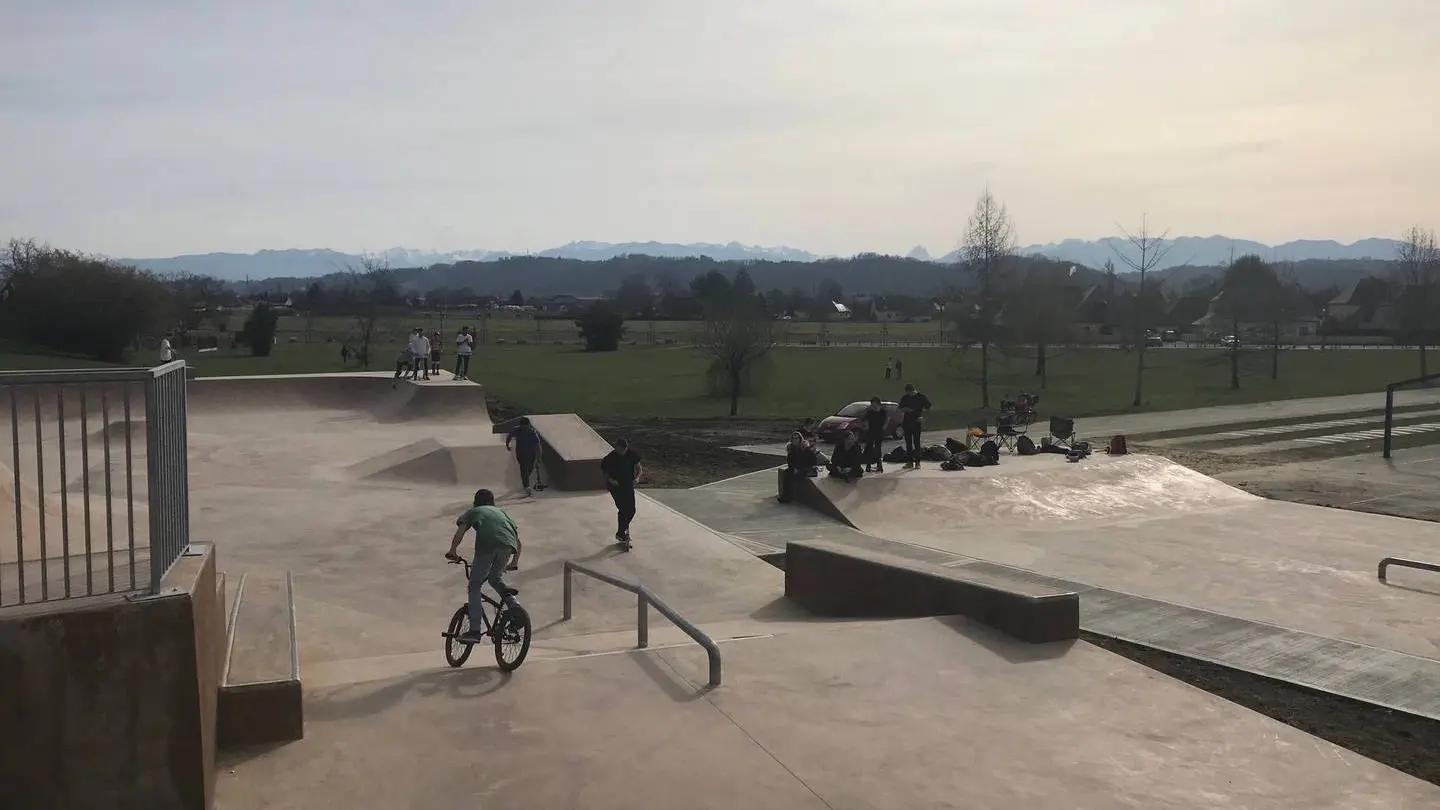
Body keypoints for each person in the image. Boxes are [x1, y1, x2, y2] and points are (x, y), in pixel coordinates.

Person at [445, 488, 522, 643]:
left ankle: (474, 630)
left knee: (474, 585)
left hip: (487, 546)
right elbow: (517, 540)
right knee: (495, 578)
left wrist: (452, 551)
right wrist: (514, 562)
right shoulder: (501, 512)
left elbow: (460, 532)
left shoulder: (473, 511)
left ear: (475, 502)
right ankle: (515, 609)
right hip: (508, 546)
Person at [600, 438, 643, 546]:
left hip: (628, 485)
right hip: (615, 487)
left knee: (631, 510)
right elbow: (605, 475)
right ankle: (622, 533)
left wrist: (637, 478)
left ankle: (620, 532)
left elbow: (639, 469)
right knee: (623, 509)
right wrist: (612, 481)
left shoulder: (631, 454)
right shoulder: (609, 459)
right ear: (616, 448)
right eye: (619, 450)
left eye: (623, 450)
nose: (621, 452)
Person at [897, 383, 932, 469]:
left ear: (913, 390)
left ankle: (917, 462)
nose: (909, 394)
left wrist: (923, 418)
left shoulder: (921, 397)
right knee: (908, 442)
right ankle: (909, 462)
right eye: (908, 393)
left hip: (916, 422)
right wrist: (905, 409)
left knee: (916, 442)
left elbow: (928, 407)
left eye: (911, 392)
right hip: (907, 422)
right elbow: (899, 408)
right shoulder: (905, 398)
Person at [777, 431, 819, 503]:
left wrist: (807, 448)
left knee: (800, 473)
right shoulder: (791, 448)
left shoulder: (805, 447)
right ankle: (786, 496)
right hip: (796, 467)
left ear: (800, 439)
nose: (795, 440)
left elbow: (812, 460)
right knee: (787, 474)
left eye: (797, 438)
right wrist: (794, 468)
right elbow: (790, 461)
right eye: (793, 439)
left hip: (806, 467)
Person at [505, 417, 543, 496]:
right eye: (523, 427)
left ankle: (525, 480)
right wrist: (507, 444)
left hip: (531, 454)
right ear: (520, 426)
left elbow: (538, 447)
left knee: (530, 469)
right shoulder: (516, 430)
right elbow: (509, 436)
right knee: (524, 468)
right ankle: (526, 486)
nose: (525, 429)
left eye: (526, 427)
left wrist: (538, 459)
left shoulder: (532, 432)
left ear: (529, 425)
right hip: (521, 454)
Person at [862, 396, 889, 473]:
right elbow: (863, 419)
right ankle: (868, 465)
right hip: (871, 431)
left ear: (878, 404)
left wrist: (884, 427)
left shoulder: (883, 412)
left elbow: (886, 420)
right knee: (869, 448)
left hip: (879, 431)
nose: (873, 406)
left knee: (878, 448)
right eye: (872, 405)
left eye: (874, 405)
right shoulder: (870, 412)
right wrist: (866, 425)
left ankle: (879, 464)